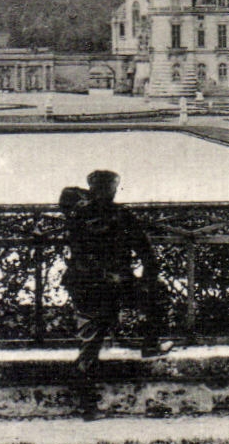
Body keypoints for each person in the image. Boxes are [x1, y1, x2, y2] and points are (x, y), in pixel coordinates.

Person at [60, 170, 172, 405]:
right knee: (158, 295)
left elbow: (66, 195)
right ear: (113, 189)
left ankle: (85, 397)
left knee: (91, 338)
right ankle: (150, 344)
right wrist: (147, 280)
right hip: (117, 284)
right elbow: (148, 255)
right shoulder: (123, 216)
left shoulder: (77, 215)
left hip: (84, 284)